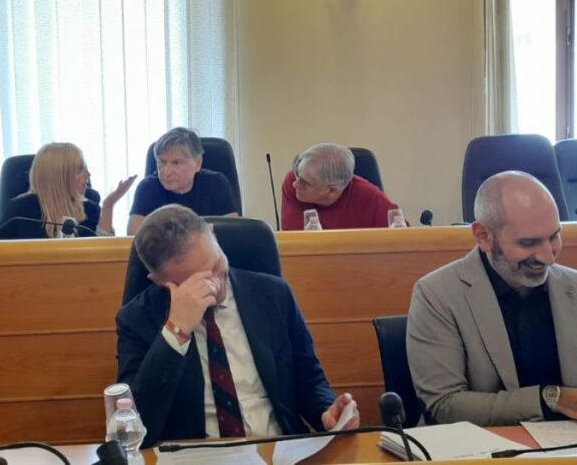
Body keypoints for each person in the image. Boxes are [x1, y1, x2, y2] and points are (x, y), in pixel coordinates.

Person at [406, 171, 577, 433]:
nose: (548, 257)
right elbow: (445, 406)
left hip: (570, 447)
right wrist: (553, 398)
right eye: (528, 243)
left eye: (554, 237)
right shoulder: (437, 294)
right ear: (483, 236)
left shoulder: (575, 286)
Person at [116, 204, 359, 447]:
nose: (215, 285)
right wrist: (175, 332)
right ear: (159, 281)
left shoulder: (273, 294)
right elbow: (139, 426)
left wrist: (327, 412)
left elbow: (309, 380)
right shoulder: (136, 319)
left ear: (213, 234)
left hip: (278, 448)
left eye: (216, 265)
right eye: (196, 281)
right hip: (197, 455)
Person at [0, 143, 136, 239]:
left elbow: (103, 257)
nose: (88, 175)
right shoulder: (20, 211)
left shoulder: (89, 208)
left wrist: (108, 206)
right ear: (59, 177)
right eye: (80, 169)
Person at [127, 128, 238, 235]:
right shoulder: (147, 188)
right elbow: (134, 236)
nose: (167, 172)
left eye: (176, 163)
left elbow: (232, 232)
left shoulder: (216, 184)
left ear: (197, 163)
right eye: (162, 162)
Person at [281, 143, 401, 230]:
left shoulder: (370, 197)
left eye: (305, 184)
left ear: (331, 191)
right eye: (297, 174)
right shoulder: (293, 182)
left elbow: (402, 237)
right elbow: (293, 242)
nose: (295, 184)